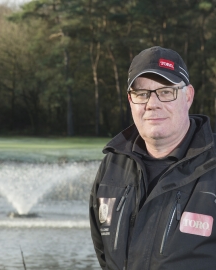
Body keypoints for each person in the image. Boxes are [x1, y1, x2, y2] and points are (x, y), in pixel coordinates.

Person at [89, 46, 216, 270]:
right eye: (142, 93)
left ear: (188, 96)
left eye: (166, 91)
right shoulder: (112, 168)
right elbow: (105, 257)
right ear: (130, 100)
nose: (152, 103)